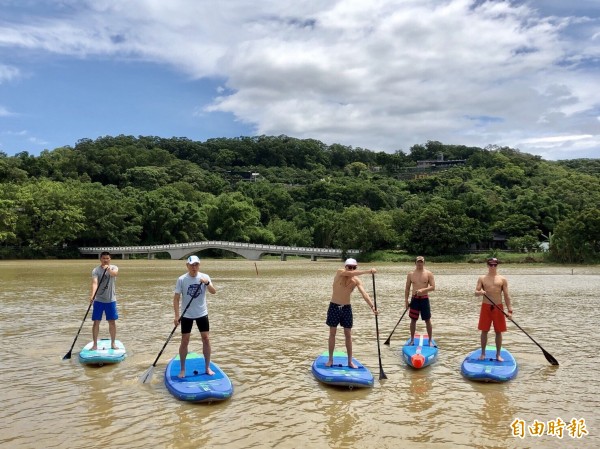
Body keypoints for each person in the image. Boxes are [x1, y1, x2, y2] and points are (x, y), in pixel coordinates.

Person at [326, 258, 378, 368]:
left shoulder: (356, 281)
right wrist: (368, 271)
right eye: (349, 267)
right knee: (332, 333)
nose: (351, 269)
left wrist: (372, 307)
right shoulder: (340, 272)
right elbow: (351, 273)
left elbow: (364, 294)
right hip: (334, 306)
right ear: (345, 267)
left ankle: (350, 361)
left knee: (348, 335)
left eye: (354, 267)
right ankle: (330, 359)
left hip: (346, 308)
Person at [173, 255, 217, 377]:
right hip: (186, 315)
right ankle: (182, 369)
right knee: (185, 340)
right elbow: (176, 299)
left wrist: (206, 283)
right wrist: (176, 316)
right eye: (192, 265)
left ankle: (207, 367)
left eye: (196, 264)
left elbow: (213, 291)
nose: (194, 267)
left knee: (206, 339)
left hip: (202, 313)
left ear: (199, 265)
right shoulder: (182, 279)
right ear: (187, 266)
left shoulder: (205, 277)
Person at [474, 257, 513, 361]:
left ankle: (498, 355)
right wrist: (480, 292)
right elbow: (475, 292)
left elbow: (506, 295)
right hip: (486, 307)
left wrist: (510, 310)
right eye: (490, 265)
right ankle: (483, 354)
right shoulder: (482, 278)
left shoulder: (502, 279)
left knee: (498, 331)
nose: (492, 267)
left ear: (497, 265)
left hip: (498, 307)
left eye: (495, 265)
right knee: (484, 331)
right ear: (487, 265)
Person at [90, 251, 119, 350]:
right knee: (96, 322)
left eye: (107, 258)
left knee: (112, 322)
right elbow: (95, 283)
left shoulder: (114, 267)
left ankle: (113, 343)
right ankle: (95, 345)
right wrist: (92, 295)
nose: (105, 260)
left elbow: (114, 274)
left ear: (110, 259)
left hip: (111, 300)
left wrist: (108, 269)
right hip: (98, 300)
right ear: (100, 259)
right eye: (103, 258)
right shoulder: (96, 270)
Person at [404, 256, 436, 346]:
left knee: (427, 320)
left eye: (421, 262)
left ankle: (430, 340)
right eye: (418, 262)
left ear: (424, 263)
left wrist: (423, 290)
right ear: (415, 263)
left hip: (424, 299)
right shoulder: (410, 274)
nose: (419, 263)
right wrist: (406, 301)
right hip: (414, 299)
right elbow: (407, 288)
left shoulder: (428, 273)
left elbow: (433, 287)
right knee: (413, 320)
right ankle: (412, 340)